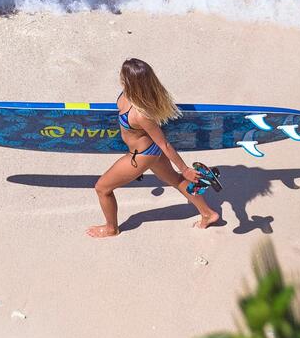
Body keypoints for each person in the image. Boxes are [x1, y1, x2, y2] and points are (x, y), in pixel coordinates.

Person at [87, 58, 219, 238]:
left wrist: (185, 168)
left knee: (102, 188)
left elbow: (163, 143)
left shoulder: (141, 114)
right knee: (176, 180)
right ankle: (208, 214)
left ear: (128, 80)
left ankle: (111, 229)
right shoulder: (127, 94)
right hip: (148, 152)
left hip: (141, 155)